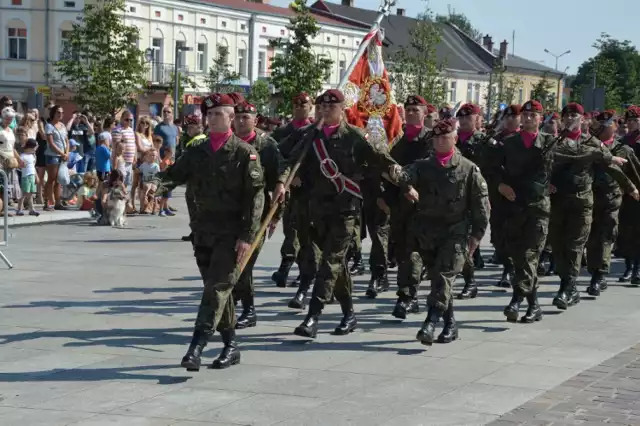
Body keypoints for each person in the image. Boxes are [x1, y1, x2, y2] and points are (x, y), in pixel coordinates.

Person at [271, 89, 402, 339]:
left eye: (331, 107)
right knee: (336, 266)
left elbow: (380, 160)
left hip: (345, 210)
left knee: (329, 263)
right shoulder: (309, 134)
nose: (324, 111)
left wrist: (403, 181)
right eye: (321, 107)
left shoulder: (354, 136)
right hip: (315, 210)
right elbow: (286, 157)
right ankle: (349, 313)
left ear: (342, 109)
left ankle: (313, 317)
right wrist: (282, 181)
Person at [158, 93, 264, 371]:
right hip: (203, 232)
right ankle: (231, 345)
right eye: (210, 114)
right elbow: (174, 175)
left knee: (216, 289)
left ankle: (196, 346)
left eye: (218, 114)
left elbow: (256, 198)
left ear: (231, 117)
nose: (212, 118)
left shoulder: (244, 152)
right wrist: (155, 187)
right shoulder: (198, 150)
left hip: (231, 235)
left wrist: (248, 236)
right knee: (216, 291)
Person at [396, 118, 489, 345]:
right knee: (440, 280)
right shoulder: (423, 166)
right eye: (436, 137)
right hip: (427, 234)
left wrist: (476, 237)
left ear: (455, 139)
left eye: (445, 137)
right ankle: (450, 324)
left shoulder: (468, 169)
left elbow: (481, 206)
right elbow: (401, 176)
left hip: (455, 233)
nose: (439, 141)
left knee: (444, 277)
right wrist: (405, 185)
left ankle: (430, 322)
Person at [549, 103, 636, 311]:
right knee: (558, 245)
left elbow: (611, 167)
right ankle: (568, 284)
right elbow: (541, 166)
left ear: (583, 119)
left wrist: (631, 187)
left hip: (582, 202)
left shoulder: (592, 142)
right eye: (567, 115)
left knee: (575, 245)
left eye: (575, 115)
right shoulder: (552, 142)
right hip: (558, 202)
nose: (570, 119)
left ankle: (567, 286)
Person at [232, 101, 285, 329]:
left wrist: (275, 216)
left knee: (245, 262)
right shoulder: (228, 142)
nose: (242, 121)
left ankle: (249, 309)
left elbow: (279, 183)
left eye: (247, 117)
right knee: (230, 263)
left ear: (256, 120)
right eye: (238, 117)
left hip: (256, 213)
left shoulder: (267, 146)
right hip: (229, 212)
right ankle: (232, 303)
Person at [387, 95, 435, 318]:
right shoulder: (397, 140)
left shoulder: (430, 140)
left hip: (422, 205)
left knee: (415, 253)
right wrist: (384, 198)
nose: (412, 113)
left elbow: (427, 170)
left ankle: (408, 296)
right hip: (400, 206)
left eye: (416, 110)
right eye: (408, 110)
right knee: (402, 251)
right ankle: (409, 295)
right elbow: (388, 169)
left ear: (424, 113)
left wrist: (408, 185)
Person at [586, 110, 640, 294]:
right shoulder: (590, 147)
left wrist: (634, 190)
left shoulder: (624, 149)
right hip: (590, 198)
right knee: (592, 237)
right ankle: (595, 271)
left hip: (613, 199)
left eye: (607, 124)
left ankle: (599, 275)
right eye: (600, 124)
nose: (603, 128)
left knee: (606, 235)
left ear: (615, 126)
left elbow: (636, 174)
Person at [271, 92, 313, 288]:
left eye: (303, 104)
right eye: (296, 104)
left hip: (309, 189)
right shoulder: (282, 132)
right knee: (290, 228)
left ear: (310, 106)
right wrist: (283, 180)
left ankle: (303, 271)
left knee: (306, 232)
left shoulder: (315, 130)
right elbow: (276, 157)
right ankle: (285, 266)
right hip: (287, 188)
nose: (299, 107)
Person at [454, 103, 495, 299]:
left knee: (467, 242)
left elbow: (493, 172)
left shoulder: (486, 142)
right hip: (453, 197)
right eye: (461, 118)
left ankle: (470, 282)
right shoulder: (450, 140)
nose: (463, 121)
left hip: (475, 198)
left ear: (477, 119)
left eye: (468, 117)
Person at [489, 104, 522, 288]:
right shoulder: (496, 140)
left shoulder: (523, 140)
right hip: (499, 193)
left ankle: (510, 270)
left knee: (515, 234)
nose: (510, 119)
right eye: (507, 116)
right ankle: (507, 265)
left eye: (514, 116)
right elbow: (489, 167)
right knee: (499, 235)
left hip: (519, 195)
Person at [617, 105, 640, 283]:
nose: (631, 123)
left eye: (635, 120)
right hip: (626, 190)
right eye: (629, 120)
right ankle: (628, 267)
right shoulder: (623, 141)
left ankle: (637, 269)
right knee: (626, 230)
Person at [180, 115, 207, 239]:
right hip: (196, 179)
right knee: (195, 206)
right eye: (188, 127)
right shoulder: (199, 140)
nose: (188, 130)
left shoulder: (198, 141)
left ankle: (197, 232)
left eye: (191, 127)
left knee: (195, 206)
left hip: (196, 180)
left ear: (200, 128)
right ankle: (196, 231)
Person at [43, 105, 69, 211]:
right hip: (53, 155)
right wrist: (62, 153)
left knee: (59, 180)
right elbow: (51, 143)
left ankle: (58, 202)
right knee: (51, 179)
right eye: (58, 112)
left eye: (62, 112)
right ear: (53, 113)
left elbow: (67, 140)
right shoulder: (49, 126)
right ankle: (46, 202)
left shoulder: (62, 125)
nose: (60, 114)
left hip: (62, 155)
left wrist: (67, 152)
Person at [16, 139, 39, 217]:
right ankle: (19, 209)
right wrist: (21, 165)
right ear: (30, 147)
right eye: (35, 148)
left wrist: (36, 176)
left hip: (32, 176)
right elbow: (19, 167)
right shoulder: (23, 156)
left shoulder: (32, 156)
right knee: (23, 194)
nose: (35, 149)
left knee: (30, 194)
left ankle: (31, 209)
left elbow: (33, 167)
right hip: (26, 177)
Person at [138, 149, 160, 213]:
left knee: (152, 189)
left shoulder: (156, 166)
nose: (152, 157)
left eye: (154, 155)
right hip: (146, 182)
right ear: (147, 156)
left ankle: (153, 207)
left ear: (156, 157)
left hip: (153, 182)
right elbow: (139, 171)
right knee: (146, 188)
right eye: (151, 155)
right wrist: (135, 168)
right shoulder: (144, 165)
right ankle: (142, 208)